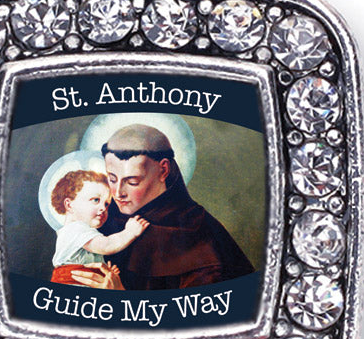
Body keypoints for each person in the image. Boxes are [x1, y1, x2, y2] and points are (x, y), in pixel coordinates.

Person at [73, 124, 253, 291]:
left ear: (164, 170)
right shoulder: (103, 218)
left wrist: (119, 295)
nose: (118, 193)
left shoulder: (198, 232)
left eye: (132, 182)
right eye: (112, 179)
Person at [48, 169, 147, 288]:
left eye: (106, 204)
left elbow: (89, 262)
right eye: (96, 200)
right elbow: (107, 245)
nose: (103, 208)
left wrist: (106, 273)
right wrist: (130, 232)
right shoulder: (75, 229)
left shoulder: (79, 232)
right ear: (69, 205)